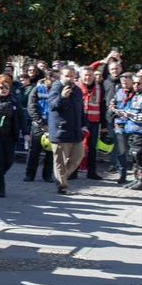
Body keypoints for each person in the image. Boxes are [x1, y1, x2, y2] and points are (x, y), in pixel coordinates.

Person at [48, 66, 85, 195]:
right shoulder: (56, 87)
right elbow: (52, 105)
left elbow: (81, 109)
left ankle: (60, 177)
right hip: (60, 131)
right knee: (60, 161)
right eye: (67, 76)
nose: (70, 78)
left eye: (72, 76)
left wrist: (83, 124)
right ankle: (62, 186)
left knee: (78, 156)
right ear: (61, 76)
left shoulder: (77, 90)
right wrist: (62, 97)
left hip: (75, 131)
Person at [121, 74, 142, 190]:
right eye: (134, 83)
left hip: (141, 131)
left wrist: (130, 115)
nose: (136, 85)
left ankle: (141, 181)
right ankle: (135, 179)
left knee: (139, 156)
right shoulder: (135, 96)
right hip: (131, 129)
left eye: (139, 83)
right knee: (133, 156)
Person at [25, 70, 54, 182]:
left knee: (50, 153)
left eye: (55, 77)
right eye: (51, 76)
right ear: (46, 77)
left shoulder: (58, 91)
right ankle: (30, 175)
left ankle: (47, 175)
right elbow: (31, 107)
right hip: (38, 125)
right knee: (34, 151)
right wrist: (41, 123)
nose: (52, 79)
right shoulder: (37, 89)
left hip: (52, 125)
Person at [77, 65, 103, 179]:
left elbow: (102, 105)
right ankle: (73, 171)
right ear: (81, 76)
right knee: (77, 147)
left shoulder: (99, 88)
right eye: (86, 75)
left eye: (90, 75)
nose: (88, 77)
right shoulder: (76, 87)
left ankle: (91, 172)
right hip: (79, 121)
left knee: (92, 147)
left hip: (93, 121)